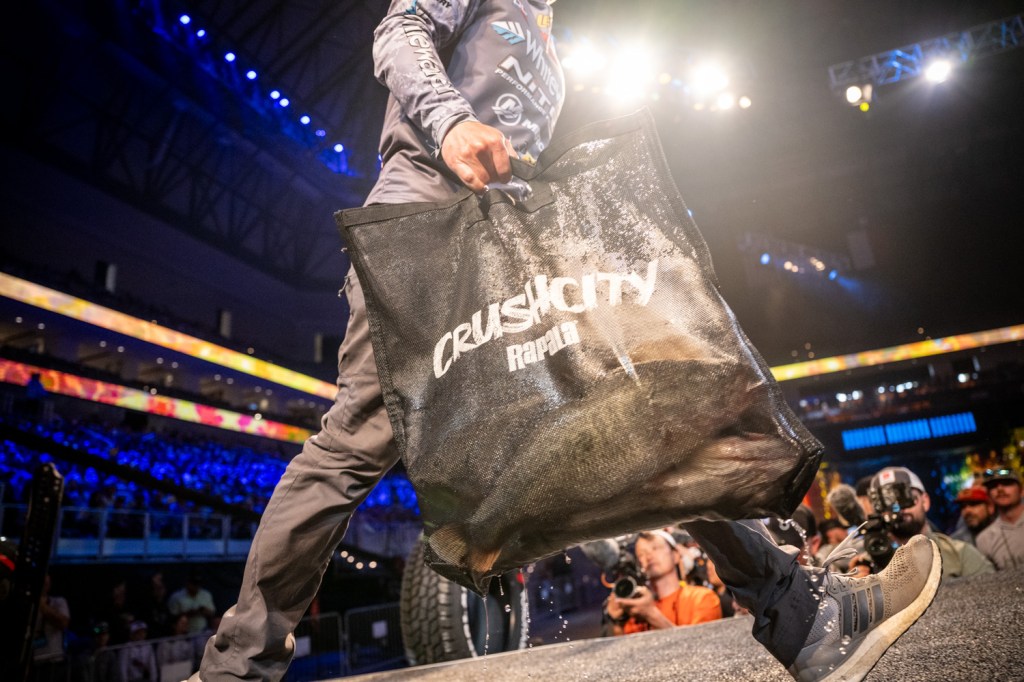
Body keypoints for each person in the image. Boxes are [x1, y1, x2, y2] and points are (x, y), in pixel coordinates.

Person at [195, 2, 941, 681]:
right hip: (426, 239)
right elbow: (398, 31)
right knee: (351, 447)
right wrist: (451, 122)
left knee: (645, 413)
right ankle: (234, 670)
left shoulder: (548, 36)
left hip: (504, 251)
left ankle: (803, 618)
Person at [865, 466, 993, 582]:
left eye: (907, 498)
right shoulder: (868, 564)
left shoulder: (960, 555)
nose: (900, 509)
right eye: (888, 503)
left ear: (925, 501)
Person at [604, 530, 721, 634]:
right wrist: (617, 622)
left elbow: (700, 646)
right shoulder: (636, 608)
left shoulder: (702, 598)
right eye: (641, 554)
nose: (649, 556)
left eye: (655, 548)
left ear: (675, 555)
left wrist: (651, 614)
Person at [976, 467, 1024, 570]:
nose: (1000, 489)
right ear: (989, 495)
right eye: (993, 486)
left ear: (1021, 491)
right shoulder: (985, 539)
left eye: (1007, 483)